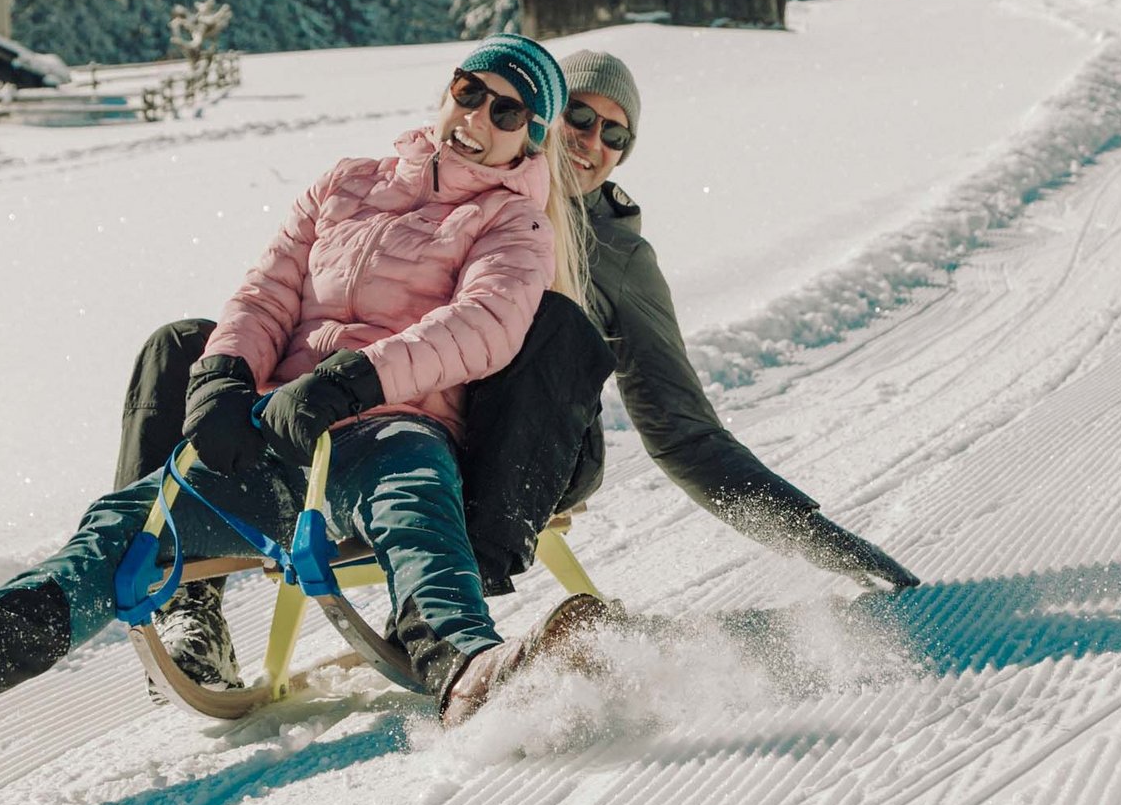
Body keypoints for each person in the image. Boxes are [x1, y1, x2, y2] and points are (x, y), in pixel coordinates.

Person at [0, 34, 612, 728]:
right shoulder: (346, 184)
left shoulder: (513, 223)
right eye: (470, 93)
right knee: (131, 519)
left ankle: (466, 665)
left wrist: (351, 381)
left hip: (387, 426)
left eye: (506, 112)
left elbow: (485, 324)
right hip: (276, 427)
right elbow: (266, 292)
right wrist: (223, 377)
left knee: (413, 501)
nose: (477, 119)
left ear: (528, 140)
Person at [120, 50, 917, 692]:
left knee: (556, 326)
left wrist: (832, 548)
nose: (594, 143)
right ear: (537, 120)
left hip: (522, 452)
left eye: (618, 136)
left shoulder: (620, 259)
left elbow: (684, 433)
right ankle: (182, 592)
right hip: (400, 413)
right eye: (580, 116)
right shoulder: (455, 197)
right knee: (181, 346)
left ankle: (449, 589)